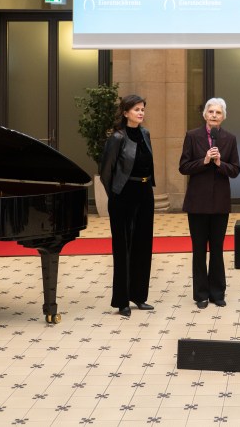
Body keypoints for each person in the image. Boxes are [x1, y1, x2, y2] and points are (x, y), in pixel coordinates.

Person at [179, 97, 240, 309]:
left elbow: (235, 170)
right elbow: (183, 167)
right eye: (211, 111)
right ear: (205, 114)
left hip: (220, 203)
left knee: (217, 249)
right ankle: (201, 294)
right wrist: (204, 161)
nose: (214, 115)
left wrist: (220, 163)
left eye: (218, 112)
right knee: (199, 250)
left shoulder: (230, 139)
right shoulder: (192, 136)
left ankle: (217, 292)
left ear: (223, 117)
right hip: (197, 202)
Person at [99, 94, 155, 318]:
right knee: (123, 249)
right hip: (123, 195)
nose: (141, 113)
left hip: (145, 192)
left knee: (143, 245)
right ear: (125, 113)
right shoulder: (117, 138)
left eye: (142, 109)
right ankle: (122, 301)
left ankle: (139, 296)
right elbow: (106, 172)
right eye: (136, 109)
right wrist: (115, 196)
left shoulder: (145, 134)